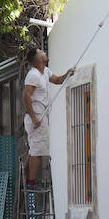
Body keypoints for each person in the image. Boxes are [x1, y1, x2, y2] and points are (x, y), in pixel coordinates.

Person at [22, 48, 74, 187]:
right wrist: (34, 118)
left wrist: (67, 74)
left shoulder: (45, 71)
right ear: (38, 59)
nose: (44, 53)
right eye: (41, 53)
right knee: (38, 151)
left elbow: (57, 80)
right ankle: (31, 184)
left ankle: (25, 175)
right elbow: (26, 96)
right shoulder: (33, 75)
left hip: (39, 115)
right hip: (37, 116)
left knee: (35, 148)